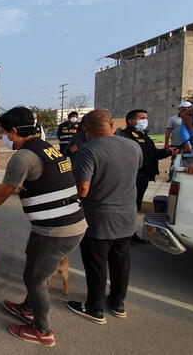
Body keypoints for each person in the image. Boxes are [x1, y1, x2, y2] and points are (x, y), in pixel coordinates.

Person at [0, 106, 86, 348]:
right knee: (32, 267)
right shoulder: (46, 147)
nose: (3, 137)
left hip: (57, 230)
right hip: (59, 224)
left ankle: (42, 330)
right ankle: (27, 307)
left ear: (14, 131)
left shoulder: (23, 157)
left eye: (4, 133)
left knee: (36, 279)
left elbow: (2, 194)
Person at [65, 110, 142, 324]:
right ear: (110, 124)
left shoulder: (87, 150)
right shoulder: (133, 146)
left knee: (96, 264)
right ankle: (117, 303)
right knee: (121, 262)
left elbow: (83, 189)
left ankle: (94, 308)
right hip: (127, 217)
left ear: (85, 128)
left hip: (98, 218)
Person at [116, 110, 173, 221]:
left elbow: (154, 154)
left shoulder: (145, 136)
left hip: (144, 176)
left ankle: (130, 231)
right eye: (142, 118)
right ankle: (125, 231)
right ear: (131, 121)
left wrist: (168, 152)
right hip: (132, 177)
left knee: (136, 204)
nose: (145, 120)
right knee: (128, 206)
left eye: (146, 118)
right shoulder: (124, 136)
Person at [165, 102, 192, 180]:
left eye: (187, 108)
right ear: (179, 109)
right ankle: (171, 177)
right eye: (183, 108)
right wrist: (166, 143)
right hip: (176, 144)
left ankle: (185, 178)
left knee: (187, 161)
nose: (185, 110)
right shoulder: (173, 119)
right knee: (175, 161)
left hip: (189, 144)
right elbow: (168, 132)